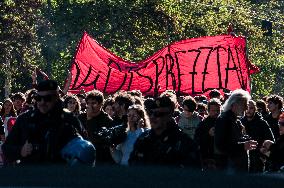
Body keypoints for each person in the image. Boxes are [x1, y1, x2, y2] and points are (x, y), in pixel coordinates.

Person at [2, 80, 82, 165]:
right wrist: (21, 151)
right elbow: (6, 148)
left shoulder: (69, 119)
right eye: (39, 98)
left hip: (60, 173)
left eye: (47, 99)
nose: (42, 102)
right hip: (30, 173)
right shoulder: (25, 119)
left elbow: (85, 148)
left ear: (56, 98)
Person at [129, 95, 199, 167]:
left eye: (158, 114)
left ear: (169, 115)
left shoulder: (184, 143)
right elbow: (132, 165)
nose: (152, 117)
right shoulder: (143, 139)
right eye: (150, 113)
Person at [214, 89, 258, 173]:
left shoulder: (235, 120)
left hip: (235, 167)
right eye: (244, 105)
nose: (246, 108)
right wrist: (243, 146)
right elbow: (221, 145)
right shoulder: (224, 120)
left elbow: (234, 140)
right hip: (229, 167)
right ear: (234, 104)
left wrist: (246, 141)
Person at [79, 89, 114, 165]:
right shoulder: (81, 117)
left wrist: (90, 119)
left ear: (101, 104)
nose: (90, 106)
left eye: (94, 103)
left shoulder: (107, 120)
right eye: (88, 103)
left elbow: (95, 139)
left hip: (100, 159)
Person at [241, 100, 275, 173]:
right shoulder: (240, 122)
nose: (248, 110)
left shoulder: (262, 123)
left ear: (255, 109)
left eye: (251, 108)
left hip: (257, 159)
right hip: (242, 159)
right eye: (247, 108)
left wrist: (263, 154)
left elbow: (270, 140)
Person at [194, 99, 222, 170]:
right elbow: (198, 140)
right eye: (213, 111)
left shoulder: (224, 122)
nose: (216, 112)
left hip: (222, 157)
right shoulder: (203, 124)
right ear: (208, 111)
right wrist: (208, 134)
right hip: (209, 158)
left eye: (218, 110)